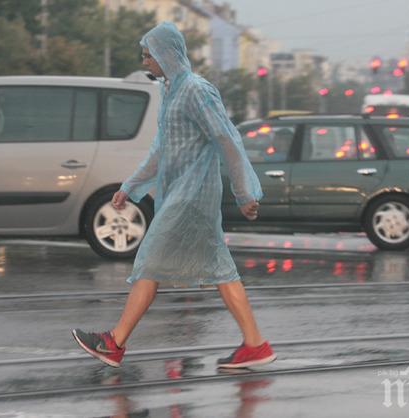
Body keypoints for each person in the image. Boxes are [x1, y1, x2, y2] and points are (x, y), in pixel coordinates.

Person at [72, 21, 276, 369]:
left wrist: (245, 192)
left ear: (167, 54)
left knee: (149, 261)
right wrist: (129, 187)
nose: (145, 60)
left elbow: (227, 139)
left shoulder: (197, 90)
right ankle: (255, 345)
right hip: (180, 194)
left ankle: (114, 342)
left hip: (193, 197)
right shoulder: (170, 91)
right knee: (219, 269)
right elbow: (160, 150)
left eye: (149, 54)